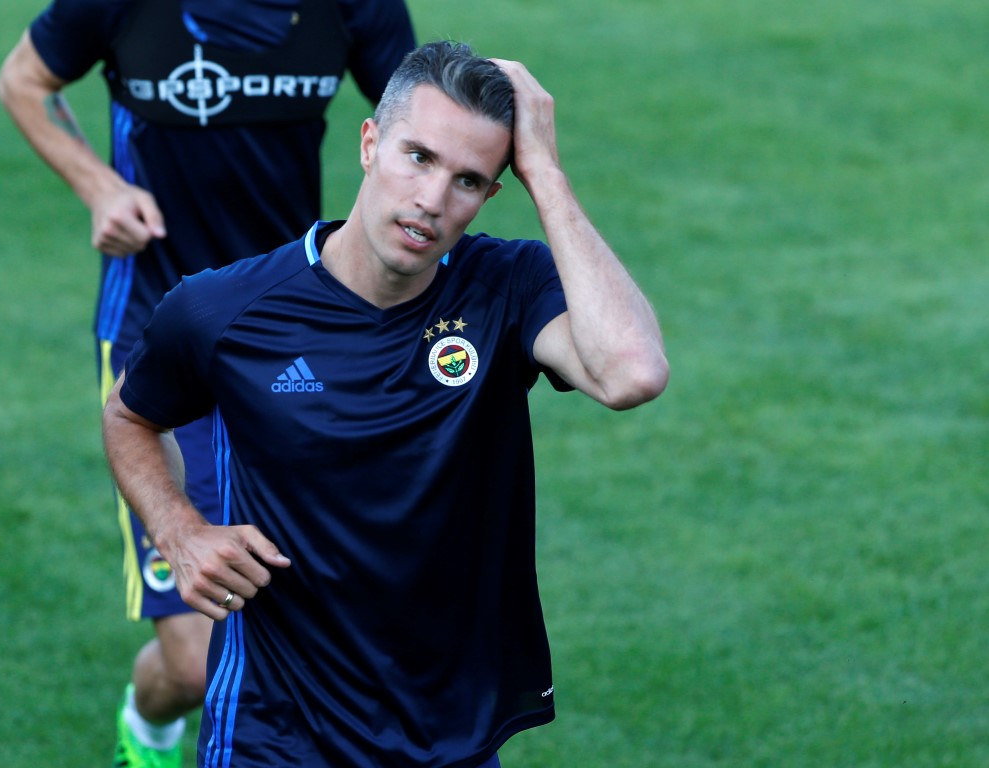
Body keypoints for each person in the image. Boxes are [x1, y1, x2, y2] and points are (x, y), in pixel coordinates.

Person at [102, 40, 669, 767]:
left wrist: (548, 175)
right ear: (370, 143)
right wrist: (179, 531)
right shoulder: (224, 311)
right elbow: (131, 415)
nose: (432, 200)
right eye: (418, 157)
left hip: (448, 735)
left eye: (468, 180)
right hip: (274, 734)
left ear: (493, 194)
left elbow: (631, 374)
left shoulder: (506, 287)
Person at [0, 1, 415, 765]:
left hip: (298, 334)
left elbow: (424, 123)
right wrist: (99, 187)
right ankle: (147, 730)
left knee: (316, 614)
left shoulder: (356, 6)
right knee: (195, 662)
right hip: (160, 334)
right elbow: (23, 79)